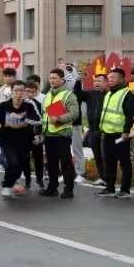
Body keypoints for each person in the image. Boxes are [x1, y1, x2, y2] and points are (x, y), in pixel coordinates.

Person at [0, 84, 42, 198]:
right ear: (12, 91)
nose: (19, 93)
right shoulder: (4, 105)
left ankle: (10, 182)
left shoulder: (28, 106)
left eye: (21, 90)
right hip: (7, 139)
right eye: (16, 90)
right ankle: (7, 185)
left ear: (24, 92)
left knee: (20, 165)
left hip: (24, 140)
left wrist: (22, 118)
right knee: (12, 162)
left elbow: (38, 120)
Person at [97, 67, 134, 199]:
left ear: (122, 79)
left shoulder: (127, 94)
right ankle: (110, 188)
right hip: (107, 133)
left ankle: (125, 190)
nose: (111, 79)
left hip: (120, 135)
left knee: (124, 163)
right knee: (109, 162)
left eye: (113, 77)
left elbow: (130, 115)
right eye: (109, 77)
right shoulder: (109, 93)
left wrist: (126, 131)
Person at [41, 69, 79, 198]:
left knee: (66, 163)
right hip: (49, 134)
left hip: (62, 135)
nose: (51, 80)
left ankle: (68, 190)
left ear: (62, 80)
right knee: (51, 164)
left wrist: (59, 118)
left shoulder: (69, 95)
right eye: (50, 78)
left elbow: (74, 114)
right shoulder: (47, 95)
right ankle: (52, 188)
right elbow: (43, 115)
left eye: (54, 78)